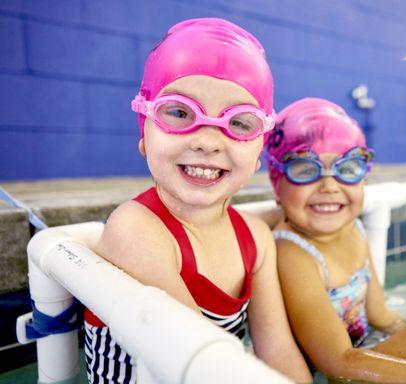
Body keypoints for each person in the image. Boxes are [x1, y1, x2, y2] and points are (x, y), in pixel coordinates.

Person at [83, 18, 311, 383]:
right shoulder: (137, 229)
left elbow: (278, 349)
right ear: (145, 132)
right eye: (179, 113)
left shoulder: (255, 238)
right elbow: (204, 363)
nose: (207, 141)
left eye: (239, 123)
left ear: (258, 153)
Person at [264, 97, 406, 383]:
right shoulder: (293, 254)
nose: (328, 186)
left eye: (347, 169)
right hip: (333, 373)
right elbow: (336, 361)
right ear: (276, 183)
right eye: (304, 170)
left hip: (361, 358)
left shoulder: (355, 230)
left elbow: (382, 316)